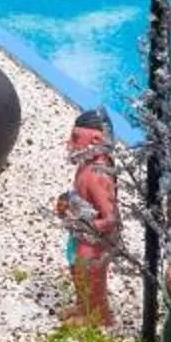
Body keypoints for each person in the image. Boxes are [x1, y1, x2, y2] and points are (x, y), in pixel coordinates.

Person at [58, 108, 120, 327]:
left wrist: (89, 226)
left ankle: (98, 314)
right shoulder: (85, 167)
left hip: (93, 239)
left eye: (75, 138)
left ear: (95, 140)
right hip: (81, 234)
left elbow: (111, 218)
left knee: (90, 272)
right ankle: (83, 305)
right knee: (77, 268)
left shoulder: (96, 175)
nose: (70, 143)